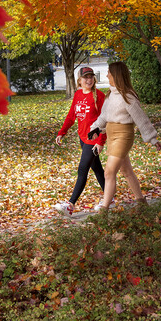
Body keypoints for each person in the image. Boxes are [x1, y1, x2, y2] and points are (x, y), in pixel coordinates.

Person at [87, 61, 161, 212]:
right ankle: (142, 203)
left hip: (123, 136)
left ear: (116, 75)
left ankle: (104, 210)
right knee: (126, 171)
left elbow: (141, 119)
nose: (107, 74)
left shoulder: (128, 96)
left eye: (109, 72)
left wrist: (153, 138)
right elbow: (104, 116)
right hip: (111, 135)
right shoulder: (110, 95)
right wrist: (95, 128)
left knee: (109, 172)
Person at [52, 66, 107, 215]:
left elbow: (105, 121)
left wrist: (100, 141)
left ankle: (70, 206)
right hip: (82, 138)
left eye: (91, 77)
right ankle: (110, 199)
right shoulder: (78, 94)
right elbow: (71, 116)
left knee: (82, 170)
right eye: (85, 77)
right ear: (80, 80)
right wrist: (62, 132)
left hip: (93, 140)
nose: (88, 80)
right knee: (97, 170)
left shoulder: (100, 96)